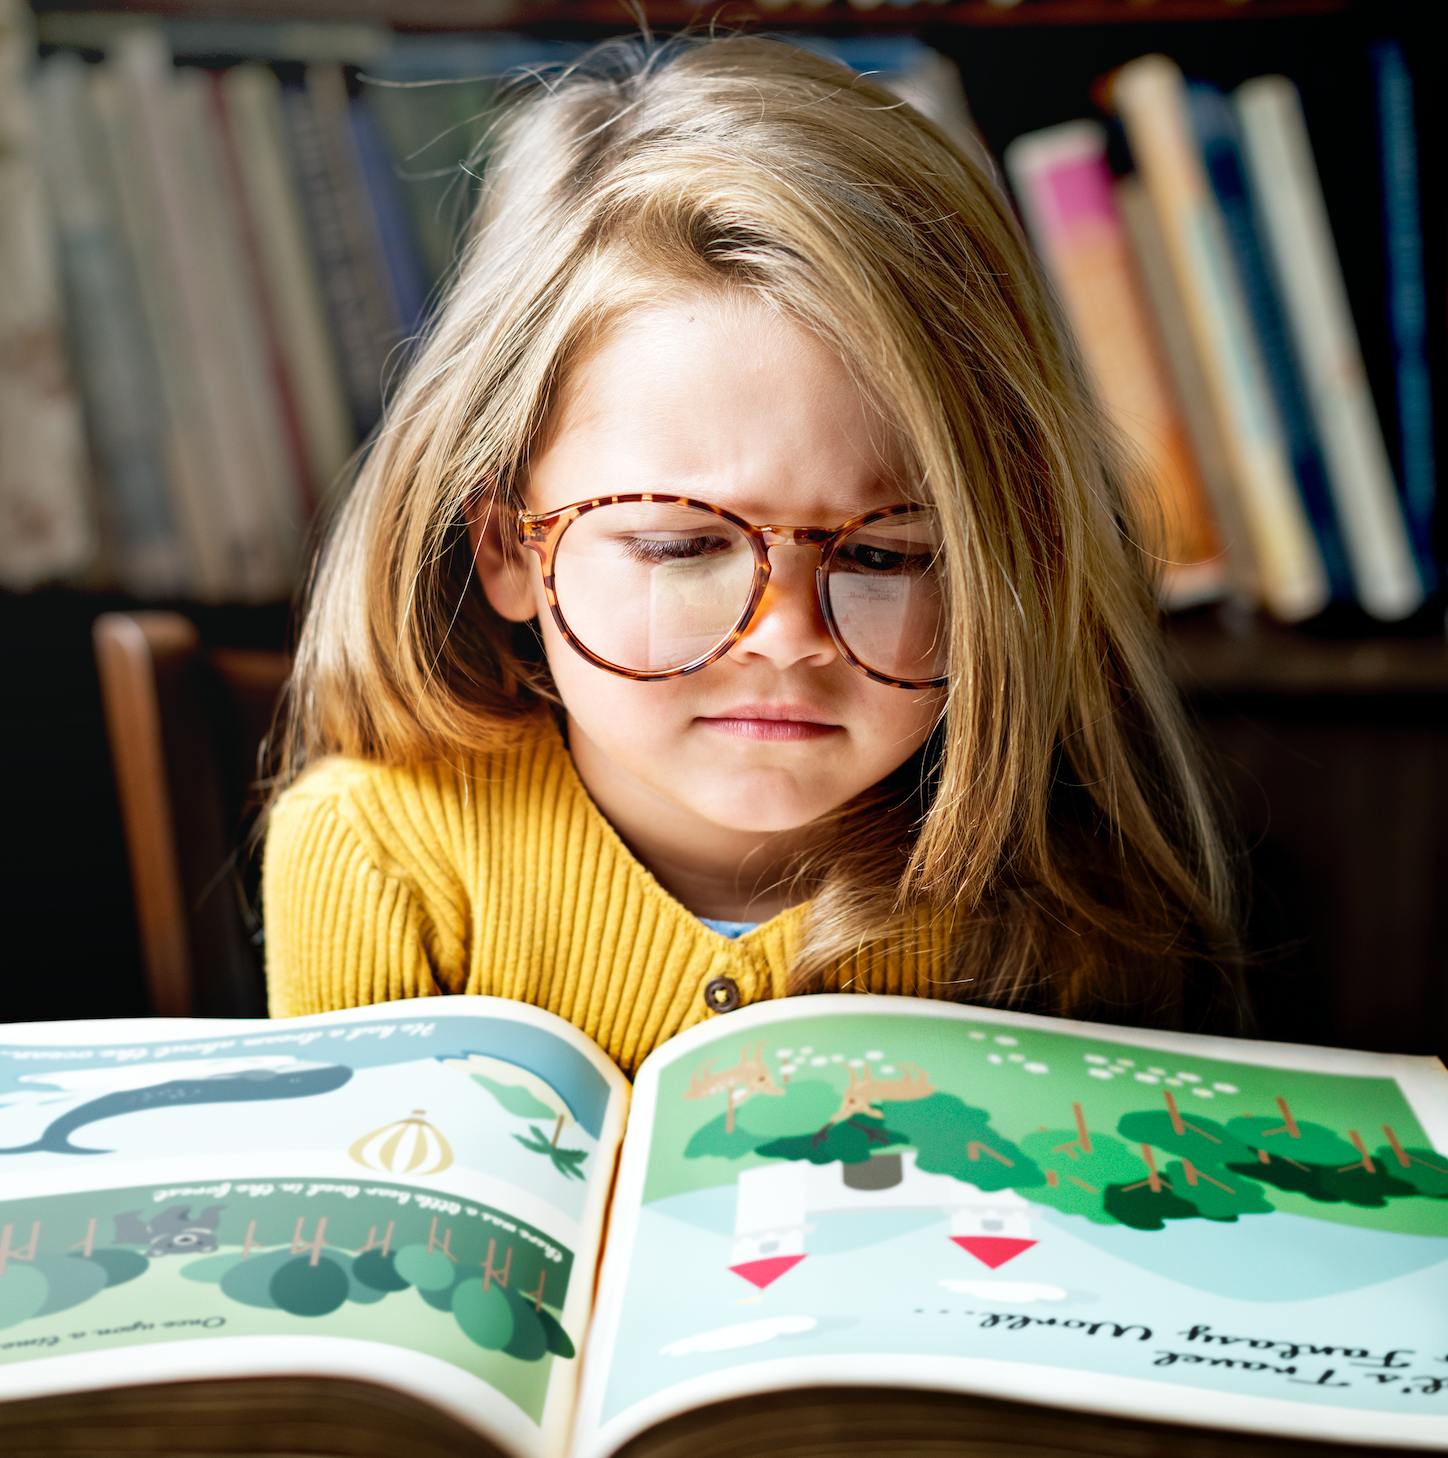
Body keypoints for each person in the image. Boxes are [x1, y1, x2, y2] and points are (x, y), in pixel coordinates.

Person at [262, 33, 1245, 1076]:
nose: (786, 638)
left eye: (885, 558)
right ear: (506, 546)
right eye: (681, 545)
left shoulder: (1067, 908)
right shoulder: (375, 861)